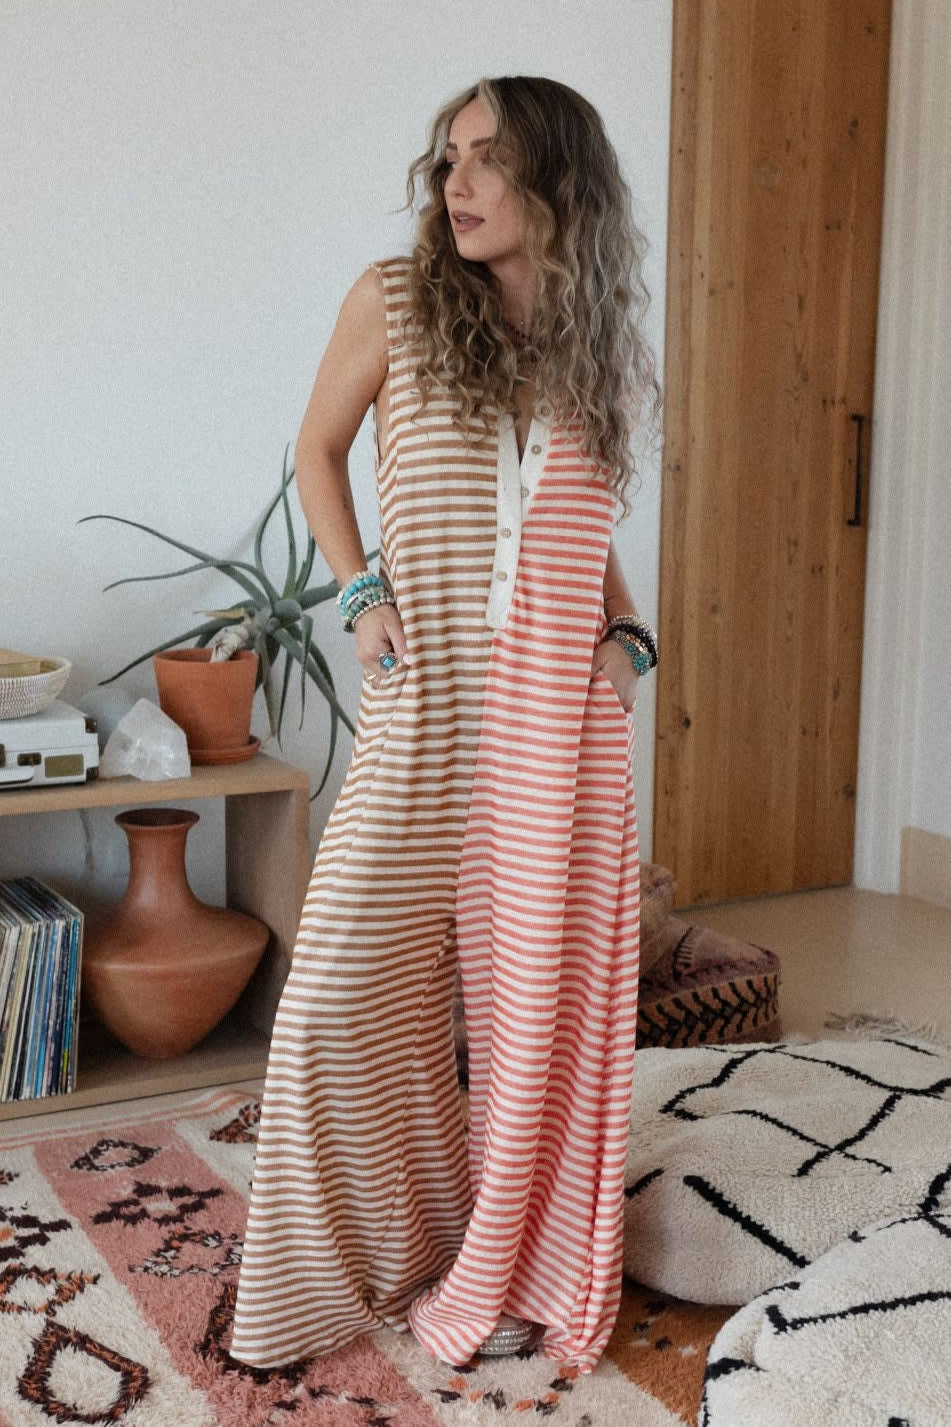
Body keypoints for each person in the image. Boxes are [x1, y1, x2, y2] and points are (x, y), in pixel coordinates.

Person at [230, 74, 660, 1377]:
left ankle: (488, 1246)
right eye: (447, 160)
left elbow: (576, 530)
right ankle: (314, 1286)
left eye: (488, 159)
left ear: (558, 181)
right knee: (337, 999)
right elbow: (316, 449)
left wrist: (631, 642)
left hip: (552, 736)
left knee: (527, 1018)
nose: (455, 183)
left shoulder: (592, 345)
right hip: (428, 714)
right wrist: (359, 597)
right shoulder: (398, 300)